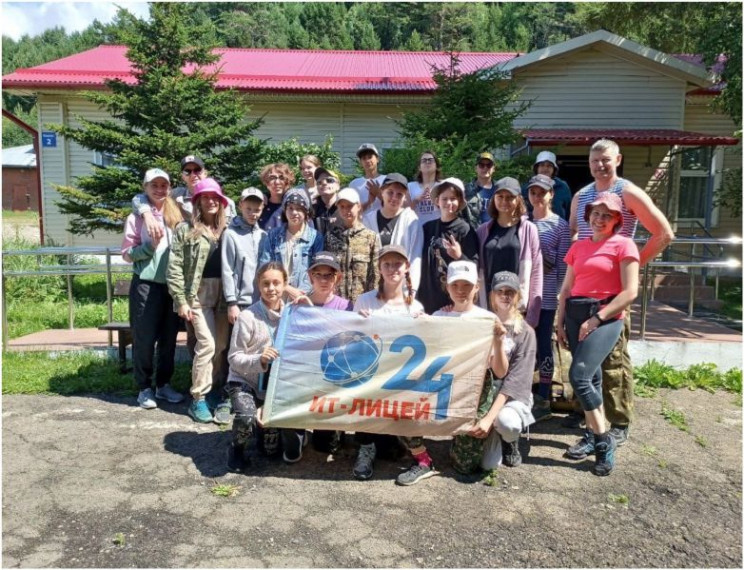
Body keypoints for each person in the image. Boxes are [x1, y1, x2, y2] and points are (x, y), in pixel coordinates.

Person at [568, 139, 674, 444]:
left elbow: (663, 233)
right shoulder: (582, 196)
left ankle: (618, 421)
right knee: (584, 357)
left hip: (613, 295)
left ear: (618, 160)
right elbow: (576, 233)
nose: (600, 165)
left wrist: (631, 264)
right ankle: (588, 416)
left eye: (605, 159)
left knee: (613, 360)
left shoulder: (627, 191)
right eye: (594, 160)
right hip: (583, 290)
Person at [557, 192, 640, 476]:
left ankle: (603, 441)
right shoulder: (578, 247)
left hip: (606, 317)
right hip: (574, 314)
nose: (600, 219)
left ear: (617, 219)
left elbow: (630, 291)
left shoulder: (624, 245)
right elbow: (567, 289)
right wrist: (559, 322)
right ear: (588, 215)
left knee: (578, 376)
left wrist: (597, 319)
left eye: (607, 215)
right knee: (591, 378)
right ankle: (593, 434)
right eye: (596, 213)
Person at [225, 262, 310, 471]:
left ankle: (295, 434)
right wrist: (259, 359)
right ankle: (236, 450)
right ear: (258, 285)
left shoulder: (293, 314)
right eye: (265, 283)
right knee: (246, 417)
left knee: (272, 453)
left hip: (277, 384)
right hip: (247, 381)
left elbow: (313, 339)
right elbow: (234, 358)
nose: (271, 288)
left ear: (285, 284)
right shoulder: (247, 317)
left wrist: (309, 309)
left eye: (276, 283)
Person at [450, 271, 537, 473]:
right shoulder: (480, 321)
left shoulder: (526, 332)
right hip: (482, 395)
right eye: (500, 291)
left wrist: (489, 418)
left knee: (507, 423)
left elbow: (515, 382)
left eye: (510, 292)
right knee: (486, 463)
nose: (505, 296)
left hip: (509, 397)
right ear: (492, 295)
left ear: (518, 296)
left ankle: (510, 440)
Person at [353, 245, 426, 482]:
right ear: (379, 268)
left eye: (398, 264)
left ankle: (416, 453)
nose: (392, 268)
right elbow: (352, 342)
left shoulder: (415, 307)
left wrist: (425, 325)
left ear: (406, 268)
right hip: (371, 376)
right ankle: (366, 448)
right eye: (387, 264)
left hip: (400, 382)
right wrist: (357, 322)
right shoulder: (364, 301)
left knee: (392, 446)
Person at [166, 177, 232, 424]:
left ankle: (214, 389)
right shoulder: (185, 229)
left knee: (222, 345)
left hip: (225, 295)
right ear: (198, 202)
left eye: (215, 197)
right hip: (198, 295)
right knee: (207, 345)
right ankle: (199, 398)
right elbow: (174, 267)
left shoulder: (229, 229)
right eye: (205, 197)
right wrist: (181, 300)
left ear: (222, 202)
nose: (210, 201)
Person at [122, 168, 184, 409]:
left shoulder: (175, 213)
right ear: (145, 187)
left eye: (163, 185)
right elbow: (127, 255)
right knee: (144, 338)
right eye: (154, 185)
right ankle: (144, 388)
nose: (159, 189)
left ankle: (164, 385)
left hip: (172, 286)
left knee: (169, 339)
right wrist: (149, 248)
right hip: (146, 285)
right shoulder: (136, 218)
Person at [526, 174, 571, 420]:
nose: (537, 197)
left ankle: (544, 395)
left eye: (542, 192)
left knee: (544, 346)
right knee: (522, 346)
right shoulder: (522, 222)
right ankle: (522, 392)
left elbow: (564, 267)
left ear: (551, 194)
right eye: (533, 192)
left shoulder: (560, 226)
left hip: (546, 297)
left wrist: (560, 296)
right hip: (523, 297)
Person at [476, 176, 542, 328]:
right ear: (494, 198)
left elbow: (537, 271)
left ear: (518, 199)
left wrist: (532, 314)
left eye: (510, 197)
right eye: (500, 196)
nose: (504, 201)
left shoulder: (528, 229)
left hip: (517, 308)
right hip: (489, 305)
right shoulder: (483, 231)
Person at [305, 251, 353, 455]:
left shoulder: (347, 307)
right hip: (307, 373)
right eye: (318, 275)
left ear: (338, 278)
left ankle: (335, 427)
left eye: (329, 275)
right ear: (310, 277)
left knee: (327, 446)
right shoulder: (298, 305)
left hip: (334, 374)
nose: (324, 280)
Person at [417, 177, 479, 314]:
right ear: (437, 201)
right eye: (444, 198)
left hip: (452, 303)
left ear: (460, 202)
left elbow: (474, 267)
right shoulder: (427, 228)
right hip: (426, 298)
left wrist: (459, 256)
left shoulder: (465, 230)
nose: (448, 202)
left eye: (453, 198)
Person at [133, 155, 236, 234]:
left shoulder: (225, 202)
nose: (193, 175)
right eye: (187, 171)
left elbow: (234, 230)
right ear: (182, 176)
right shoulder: (176, 195)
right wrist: (146, 213)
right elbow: (141, 197)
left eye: (197, 170)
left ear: (205, 173)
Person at [362, 173, 423, 291]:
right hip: (373, 288)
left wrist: (411, 290)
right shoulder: (368, 220)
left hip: (401, 289)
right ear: (382, 192)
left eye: (399, 194)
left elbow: (415, 258)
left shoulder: (411, 220)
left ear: (405, 197)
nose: (394, 197)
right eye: (390, 192)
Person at [260, 188, 324, 299]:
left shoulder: (315, 237)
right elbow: (264, 266)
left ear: (306, 211)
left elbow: (318, 269)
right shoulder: (273, 235)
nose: (294, 212)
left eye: (299, 209)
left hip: (305, 296)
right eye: (290, 208)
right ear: (285, 210)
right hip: (276, 296)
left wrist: (302, 293)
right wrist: (286, 288)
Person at [324, 187, 381, 304]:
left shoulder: (370, 237)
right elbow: (327, 270)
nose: (346, 210)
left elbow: (375, 275)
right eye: (342, 207)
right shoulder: (330, 237)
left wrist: (372, 301)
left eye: (350, 206)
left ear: (358, 206)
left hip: (361, 303)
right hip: (337, 303)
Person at [222, 187, 268, 324]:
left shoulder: (264, 236)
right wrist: (231, 302)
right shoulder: (230, 234)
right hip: (240, 303)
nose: (252, 213)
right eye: (248, 209)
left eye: (257, 210)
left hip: (261, 301)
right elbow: (227, 269)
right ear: (240, 205)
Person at [522, 151, 572, 221]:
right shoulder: (527, 188)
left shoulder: (563, 187)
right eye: (542, 165)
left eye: (549, 166)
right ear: (537, 168)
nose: (545, 168)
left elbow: (569, 212)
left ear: (554, 169)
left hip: (558, 229)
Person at [463, 152, 497, 231]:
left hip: (494, 234)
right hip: (473, 234)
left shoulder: (499, 189)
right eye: (481, 165)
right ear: (476, 168)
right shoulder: (466, 190)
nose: (485, 168)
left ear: (493, 169)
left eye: (489, 165)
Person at [407, 150, 442, 225]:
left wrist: (437, 201)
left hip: (438, 231)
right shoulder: (410, 186)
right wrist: (416, 201)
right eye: (424, 160)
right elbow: (404, 213)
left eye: (430, 160)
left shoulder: (443, 185)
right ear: (419, 167)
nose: (427, 162)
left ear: (436, 166)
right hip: (416, 230)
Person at [349, 143, 386, 212]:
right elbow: (351, 211)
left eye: (370, 157)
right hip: (361, 222)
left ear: (377, 159)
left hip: (382, 222)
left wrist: (379, 194)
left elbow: (396, 206)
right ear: (360, 162)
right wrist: (369, 202)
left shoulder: (387, 180)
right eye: (364, 158)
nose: (367, 161)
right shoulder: (354, 184)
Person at [258, 163, 296, 230]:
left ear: (287, 181)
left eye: (282, 178)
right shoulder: (259, 205)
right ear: (266, 182)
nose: (277, 182)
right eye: (272, 178)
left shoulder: (294, 206)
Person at [313, 166, 341, 236]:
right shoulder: (312, 210)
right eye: (319, 182)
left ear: (338, 186)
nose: (324, 183)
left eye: (329, 180)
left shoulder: (345, 207)